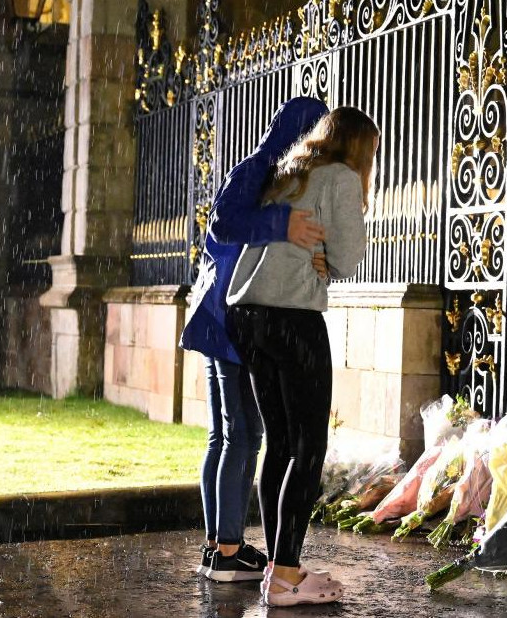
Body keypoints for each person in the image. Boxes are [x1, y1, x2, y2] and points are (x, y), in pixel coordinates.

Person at [225, 106, 378, 607]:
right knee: (309, 447)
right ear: (360, 148)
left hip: (248, 316)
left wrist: (323, 257)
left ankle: (277, 565)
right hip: (293, 318)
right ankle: (286, 575)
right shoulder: (341, 177)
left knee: (281, 443)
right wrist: (329, 260)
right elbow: (350, 257)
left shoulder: (289, 169)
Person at [180, 97, 329, 582]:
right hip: (231, 316)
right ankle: (226, 550)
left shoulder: (269, 169)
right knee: (243, 435)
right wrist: (281, 223)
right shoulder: (262, 169)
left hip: (218, 315)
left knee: (225, 435)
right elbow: (223, 223)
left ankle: (217, 546)